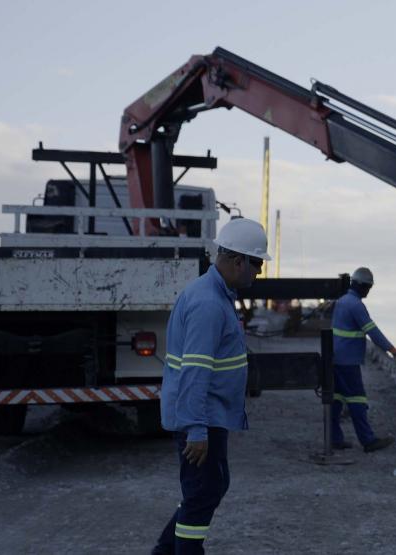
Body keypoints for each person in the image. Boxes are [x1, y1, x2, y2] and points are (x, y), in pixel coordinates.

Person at [152, 217, 269, 554]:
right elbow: (195, 372)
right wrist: (196, 429)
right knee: (202, 494)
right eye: (257, 264)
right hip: (203, 417)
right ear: (237, 261)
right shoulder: (208, 304)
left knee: (210, 488)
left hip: (212, 414)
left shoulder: (215, 293)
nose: (258, 273)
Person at [330, 266, 396, 453]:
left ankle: (334, 439)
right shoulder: (356, 305)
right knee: (357, 400)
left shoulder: (342, 301)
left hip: (336, 358)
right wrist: (395, 351)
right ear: (363, 286)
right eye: (369, 288)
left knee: (336, 399)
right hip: (348, 361)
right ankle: (368, 440)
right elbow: (373, 332)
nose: (369, 291)